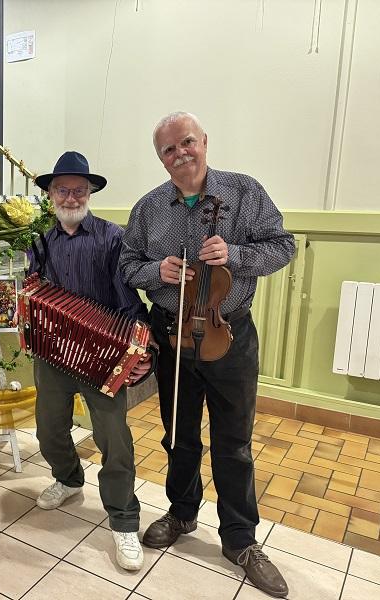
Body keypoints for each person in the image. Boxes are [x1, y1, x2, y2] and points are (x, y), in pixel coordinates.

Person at [119, 112, 295, 598]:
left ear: (204, 142)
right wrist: (159, 270)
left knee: (233, 443)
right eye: (169, 150)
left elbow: (283, 246)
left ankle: (240, 540)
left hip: (228, 337)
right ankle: (181, 513)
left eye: (187, 143)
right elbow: (128, 265)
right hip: (173, 337)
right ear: (161, 158)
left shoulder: (243, 192)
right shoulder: (150, 207)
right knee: (178, 434)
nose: (181, 155)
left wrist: (235, 255)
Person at [27, 151, 153, 571]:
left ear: (90, 193)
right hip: (53, 351)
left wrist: (141, 348)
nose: (70, 196)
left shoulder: (112, 238)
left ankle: (123, 519)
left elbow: (128, 299)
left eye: (78, 190)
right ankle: (67, 478)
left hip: (103, 354)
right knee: (48, 429)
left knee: (113, 436)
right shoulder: (39, 241)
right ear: (50, 194)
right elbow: (29, 291)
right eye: (62, 189)